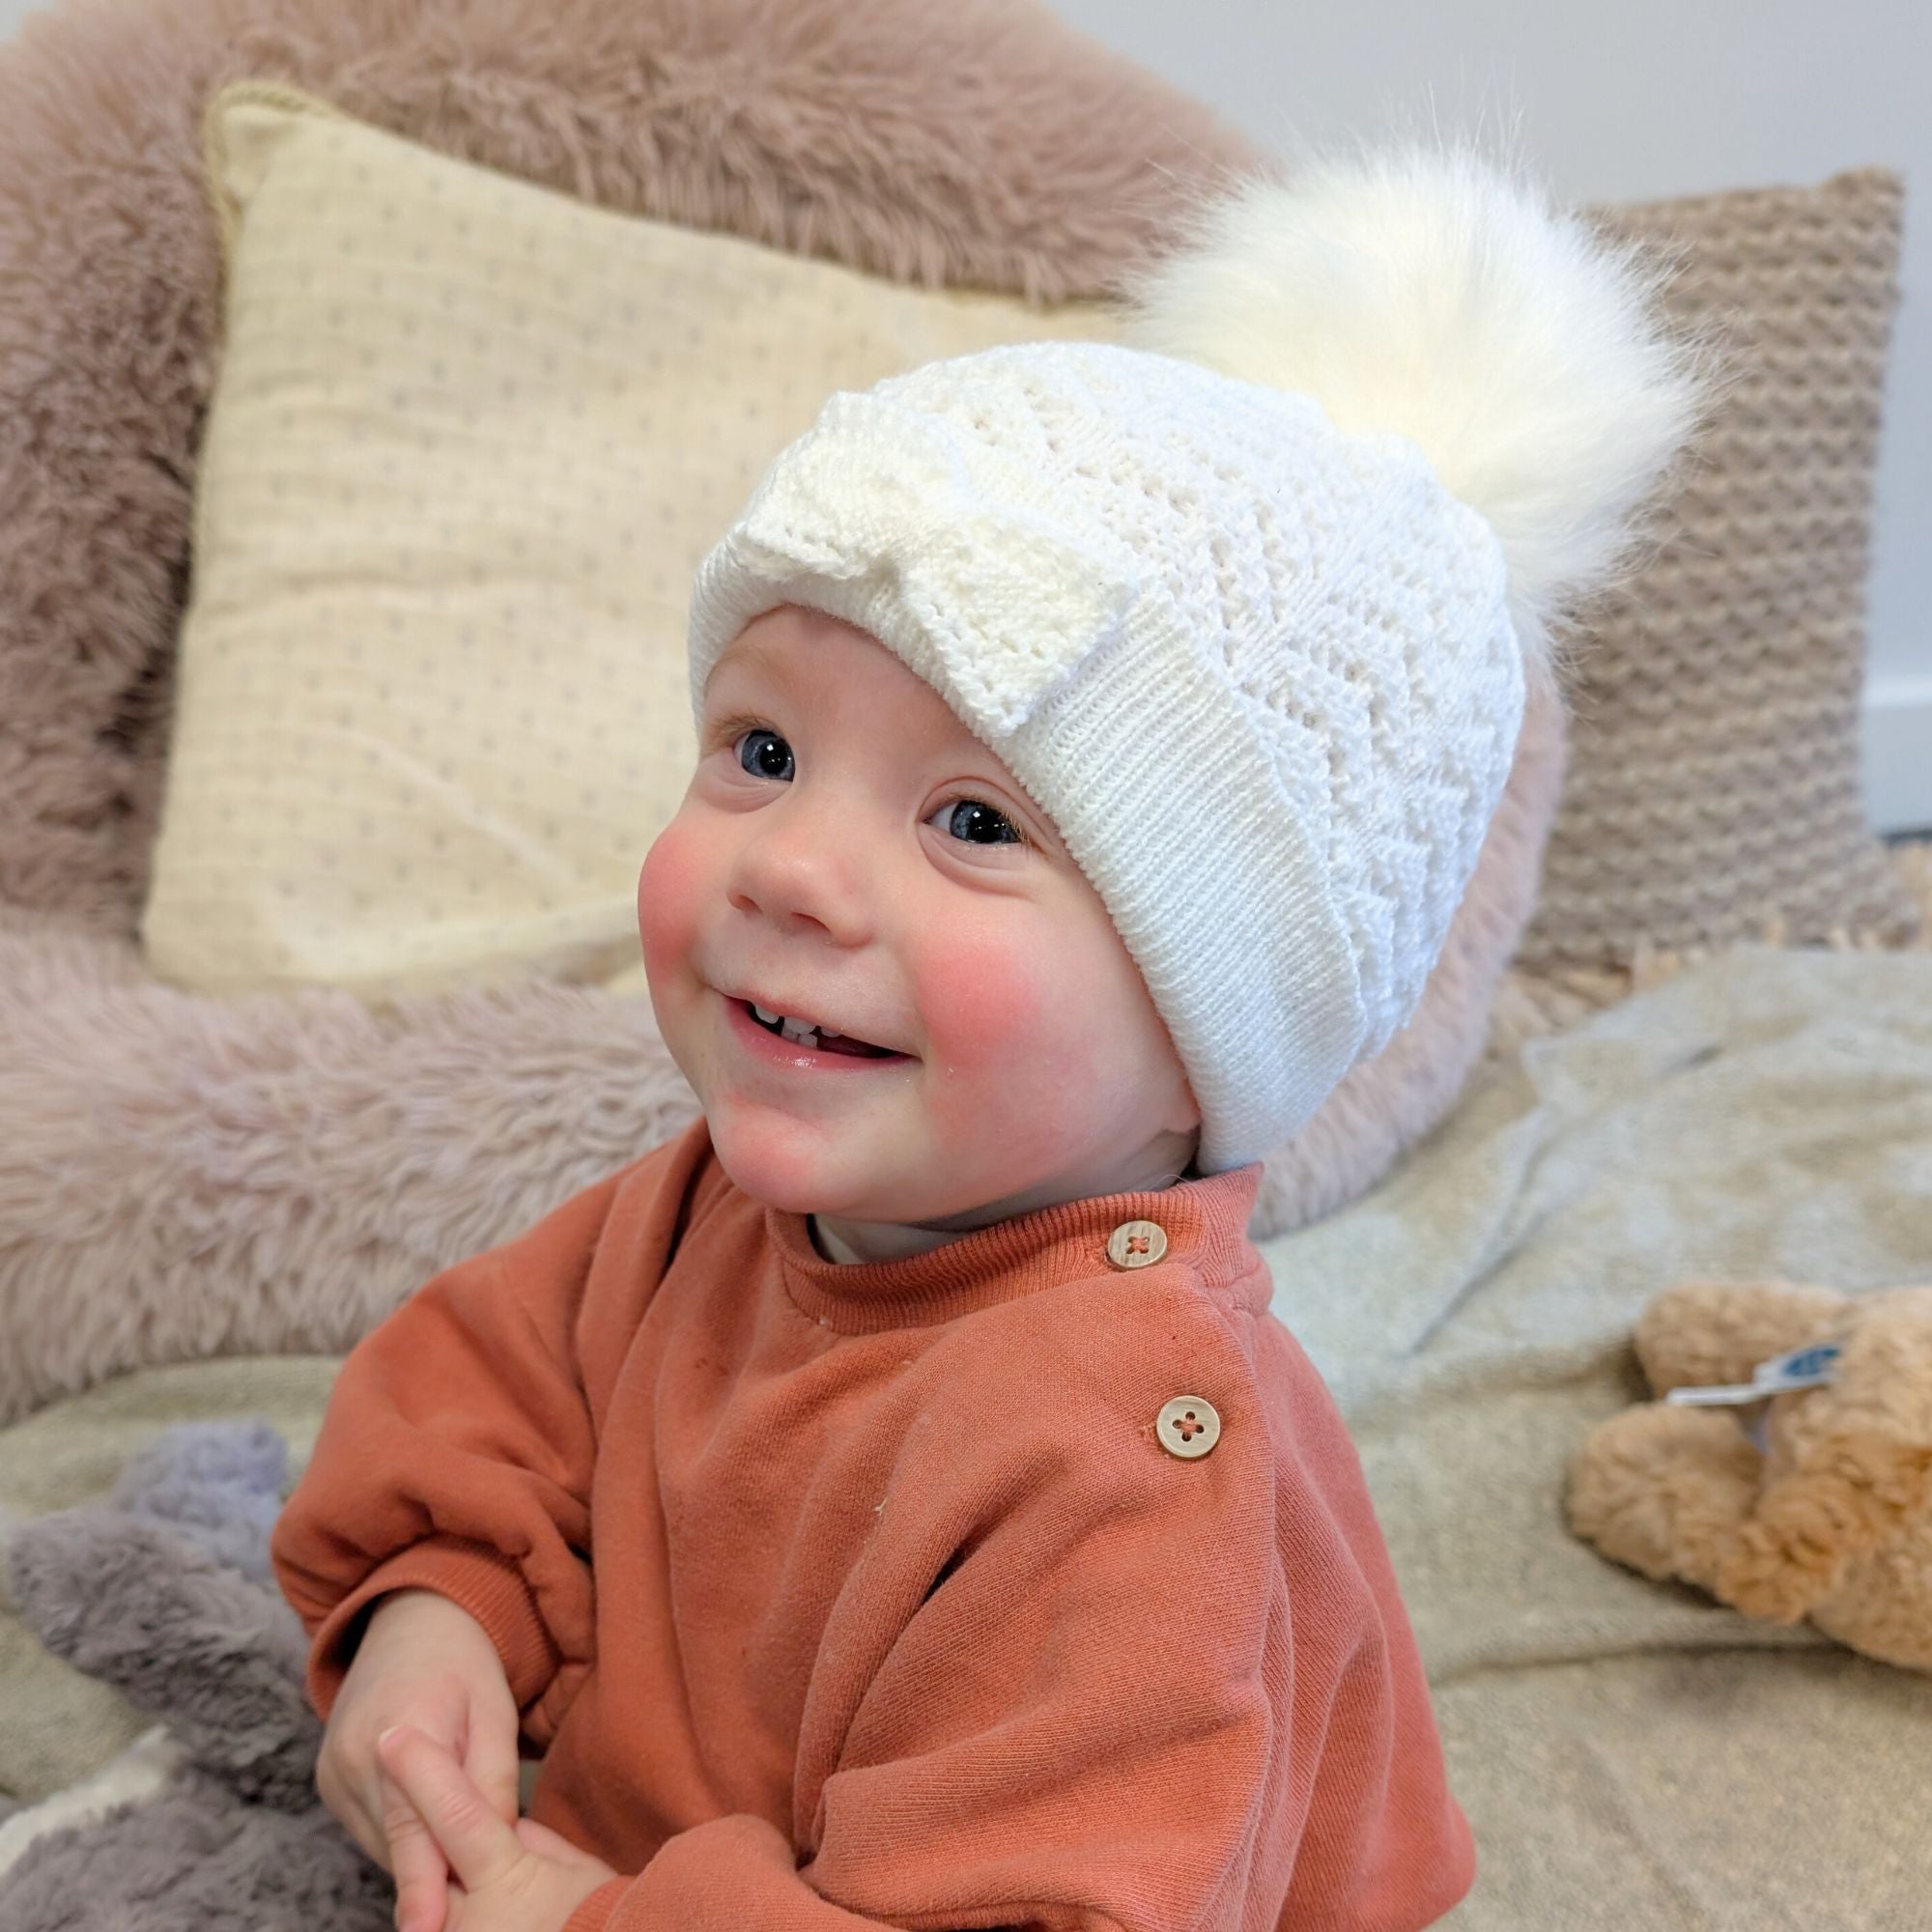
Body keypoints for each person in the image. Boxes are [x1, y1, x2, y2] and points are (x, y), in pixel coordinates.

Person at [270, 135, 1713, 1932]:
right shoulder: (716, 1212)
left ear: (1211, 1027)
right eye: (764, 752)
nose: (791, 865)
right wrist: (440, 1614)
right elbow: (500, 1387)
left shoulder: (1119, 1479)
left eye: (973, 822)